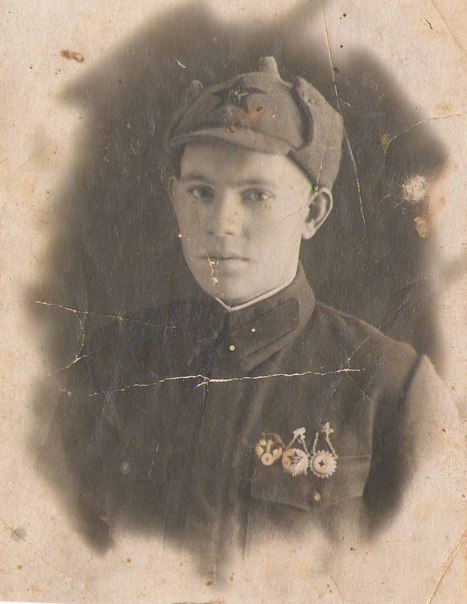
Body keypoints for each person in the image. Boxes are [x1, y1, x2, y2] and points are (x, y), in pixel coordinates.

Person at [58, 57, 461, 583]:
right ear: (174, 199)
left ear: (312, 213)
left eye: (257, 196)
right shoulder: (107, 364)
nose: (222, 224)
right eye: (201, 192)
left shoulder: (392, 389)